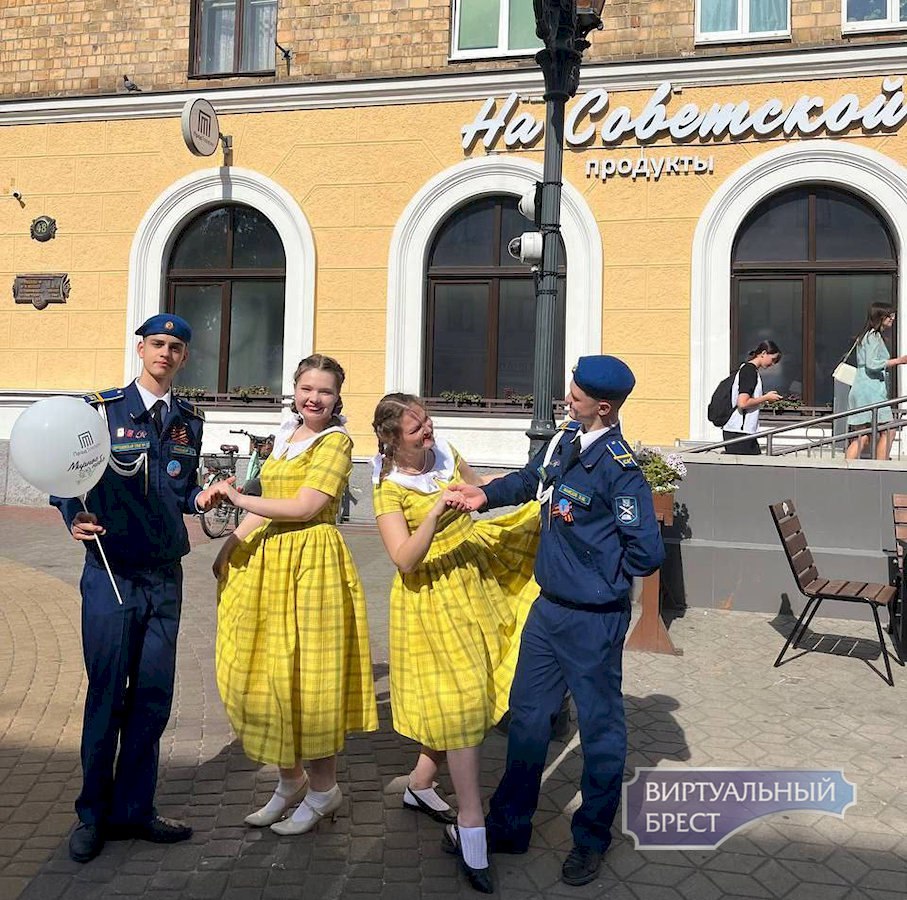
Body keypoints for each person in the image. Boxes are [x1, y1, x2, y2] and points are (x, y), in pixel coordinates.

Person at [449, 356, 665, 888]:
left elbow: (647, 553)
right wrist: (484, 497)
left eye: (577, 394)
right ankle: (510, 825)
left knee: (599, 732)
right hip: (547, 613)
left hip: (593, 621)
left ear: (604, 406)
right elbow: (530, 481)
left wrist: (596, 570)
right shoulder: (566, 440)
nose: (568, 398)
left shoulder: (620, 469)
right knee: (527, 720)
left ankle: (591, 839)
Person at [50, 313, 217, 863]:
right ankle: (92, 816)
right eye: (157, 344)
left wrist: (204, 499)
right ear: (140, 348)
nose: (166, 353)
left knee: (151, 700)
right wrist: (72, 513)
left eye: (176, 347)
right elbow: (62, 471)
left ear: (184, 357)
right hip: (111, 575)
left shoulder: (188, 421)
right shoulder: (99, 411)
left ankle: (135, 811)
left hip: (164, 576)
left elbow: (183, 487)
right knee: (107, 699)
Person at [371, 393, 540, 894]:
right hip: (429, 599)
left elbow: (480, 490)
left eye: (426, 421)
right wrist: (435, 514)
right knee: (464, 705)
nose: (427, 431)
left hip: (474, 577)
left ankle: (421, 786)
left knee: (465, 694)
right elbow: (403, 559)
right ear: (392, 439)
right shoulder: (387, 488)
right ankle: (471, 824)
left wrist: (494, 493)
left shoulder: (445, 450)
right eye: (416, 428)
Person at [211, 355, 377, 837]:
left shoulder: (337, 442)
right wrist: (229, 546)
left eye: (324, 391)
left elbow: (306, 507)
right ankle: (290, 780)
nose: (314, 398)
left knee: (308, 678)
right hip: (267, 563)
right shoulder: (285, 436)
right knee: (264, 672)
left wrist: (239, 499)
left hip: (311, 564)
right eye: (307, 388)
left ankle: (324, 790)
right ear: (294, 388)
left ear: (337, 396)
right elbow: (264, 504)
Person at [845, 303, 907, 460]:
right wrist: (899, 361)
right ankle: (881, 466)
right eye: (890, 316)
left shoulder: (867, 336)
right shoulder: (873, 336)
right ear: (881, 317)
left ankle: (846, 468)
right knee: (888, 430)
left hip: (862, 389)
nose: (893, 319)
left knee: (863, 436)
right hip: (870, 391)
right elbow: (872, 364)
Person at [721, 340, 783, 455]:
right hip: (739, 431)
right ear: (763, 353)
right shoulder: (749, 371)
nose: (773, 364)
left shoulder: (749, 370)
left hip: (741, 430)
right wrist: (766, 398)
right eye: (773, 359)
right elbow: (742, 403)